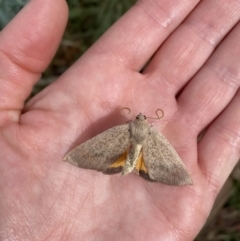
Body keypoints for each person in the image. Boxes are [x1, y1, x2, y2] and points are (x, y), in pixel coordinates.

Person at [0, 0, 239, 240]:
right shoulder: (153, 132)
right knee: (170, 166)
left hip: (122, 153)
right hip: (148, 154)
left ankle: (131, 164)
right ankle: (141, 166)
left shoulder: (123, 129)